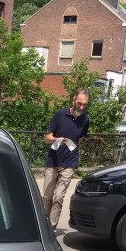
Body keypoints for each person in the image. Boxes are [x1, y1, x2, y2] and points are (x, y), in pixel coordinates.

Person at [42, 88, 90, 229]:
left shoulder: (85, 120)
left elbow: (81, 139)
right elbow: (47, 138)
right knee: (47, 197)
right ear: (73, 100)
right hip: (53, 161)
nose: (81, 107)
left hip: (69, 163)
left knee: (59, 197)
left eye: (84, 104)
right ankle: (43, 224)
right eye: (79, 103)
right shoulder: (60, 114)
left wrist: (76, 155)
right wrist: (58, 140)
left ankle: (50, 228)